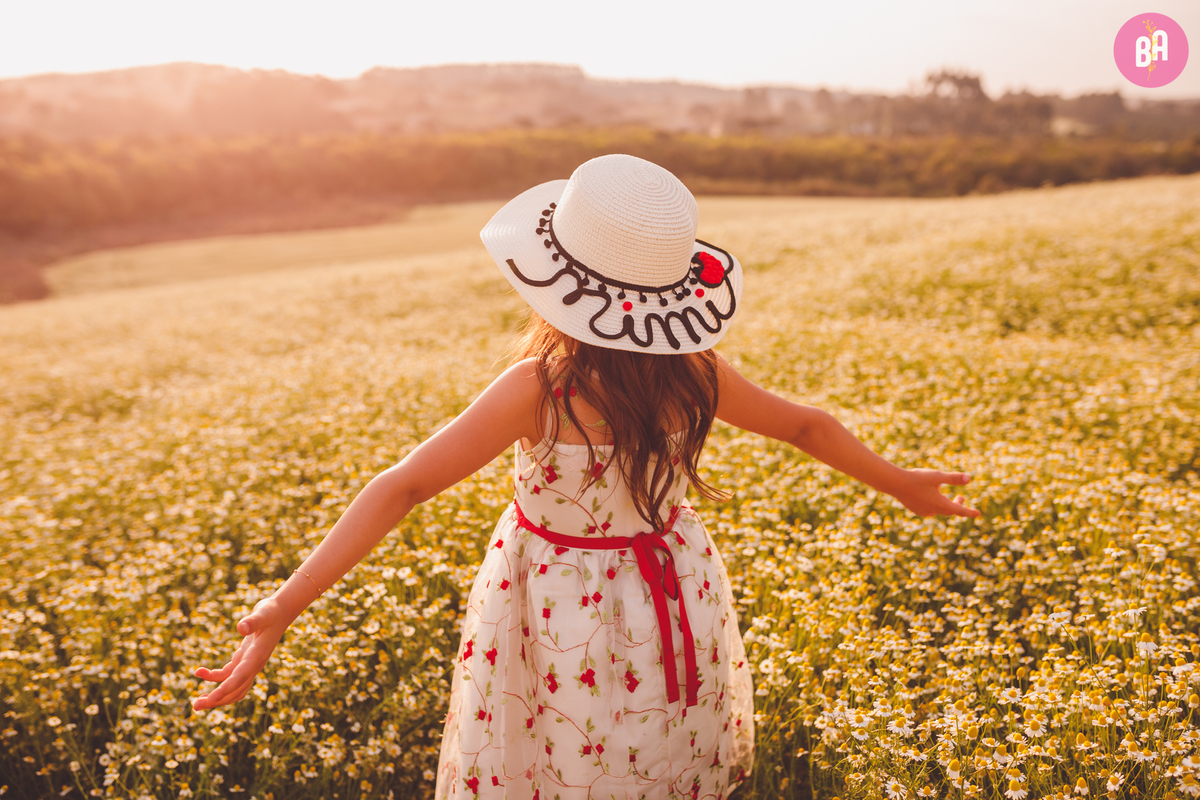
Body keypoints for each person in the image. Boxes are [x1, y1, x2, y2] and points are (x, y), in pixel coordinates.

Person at [191, 154, 979, 798]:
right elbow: (808, 424)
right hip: (674, 590)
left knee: (556, 763)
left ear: (556, 279)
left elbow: (402, 487)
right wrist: (899, 481)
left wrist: (281, 606)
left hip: (553, 603)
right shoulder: (695, 374)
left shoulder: (536, 389)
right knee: (656, 756)